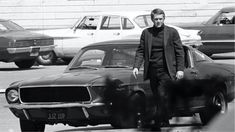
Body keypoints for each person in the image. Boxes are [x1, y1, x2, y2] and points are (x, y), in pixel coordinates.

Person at [132, 8, 185, 130]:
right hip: (152, 71)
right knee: (157, 96)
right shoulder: (146, 33)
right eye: (156, 19)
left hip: (166, 71)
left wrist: (180, 69)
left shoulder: (172, 32)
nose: (158, 21)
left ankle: (159, 121)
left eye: (160, 19)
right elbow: (140, 51)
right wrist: (136, 66)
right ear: (152, 19)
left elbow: (179, 52)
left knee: (162, 95)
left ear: (164, 18)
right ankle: (164, 120)